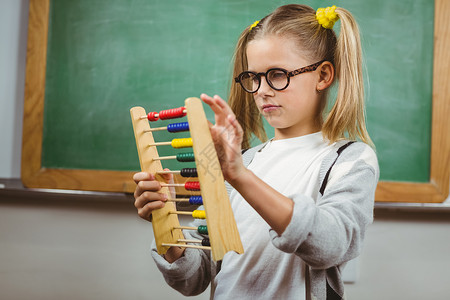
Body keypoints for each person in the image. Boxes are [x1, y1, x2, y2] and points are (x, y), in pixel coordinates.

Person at [133, 4, 379, 300]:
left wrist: (240, 177)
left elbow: (331, 244)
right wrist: (166, 224)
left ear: (323, 75)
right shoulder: (246, 161)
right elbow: (195, 278)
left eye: (277, 75)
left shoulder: (349, 160)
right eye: (253, 77)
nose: (262, 90)